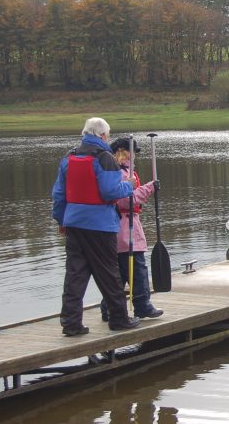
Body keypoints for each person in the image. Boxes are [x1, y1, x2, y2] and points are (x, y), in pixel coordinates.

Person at [51, 117, 140, 336]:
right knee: (108, 273)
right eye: (107, 136)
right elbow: (110, 191)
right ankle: (119, 319)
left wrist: (61, 220)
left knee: (75, 274)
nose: (108, 139)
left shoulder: (68, 158)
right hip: (100, 226)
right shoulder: (105, 159)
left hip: (74, 224)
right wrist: (128, 186)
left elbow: (59, 195)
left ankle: (71, 323)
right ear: (102, 136)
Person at [100, 137, 163, 321]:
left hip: (117, 228)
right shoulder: (120, 172)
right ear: (124, 151)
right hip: (125, 228)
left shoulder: (116, 169)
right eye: (133, 151)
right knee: (137, 271)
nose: (135, 155)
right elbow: (126, 200)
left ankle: (108, 309)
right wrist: (149, 188)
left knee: (117, 274)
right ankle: (142, 306)